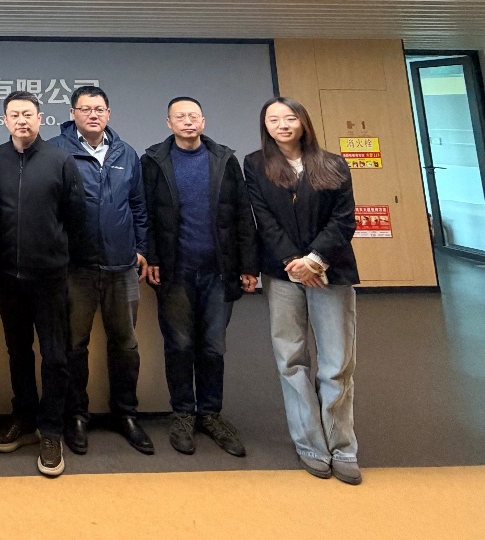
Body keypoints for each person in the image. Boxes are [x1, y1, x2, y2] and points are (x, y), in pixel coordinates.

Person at [245, 96, 362, 485]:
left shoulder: (333, 164)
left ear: (303, 122)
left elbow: (344, 220)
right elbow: (264, 219)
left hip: (330, 271)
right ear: (265, 126)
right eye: (273, 119)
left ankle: (342, 446)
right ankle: (310, 443)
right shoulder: (255, 164)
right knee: (291, 359)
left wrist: (315, 260)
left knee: (337, 362)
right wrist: (295, 263)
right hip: (282, 274)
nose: (282, 124)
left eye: (289, 117)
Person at [141, 96, 258, 458]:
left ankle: (210, 413)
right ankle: (182, 413)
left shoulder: (224, 160)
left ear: (203, 121)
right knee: (179, 345)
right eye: (180, 116)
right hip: (175, 271)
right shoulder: (153, 161)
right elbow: (146, 214)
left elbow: (242, 214)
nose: (188, 121)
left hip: (218, 271)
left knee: (213, 346)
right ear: (169, 123)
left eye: (194, 116)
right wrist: (153, 257)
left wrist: (248, 265)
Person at [0, 91, 88, 478]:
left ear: (40, 118)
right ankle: (25, 419)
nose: (21, 120)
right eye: (14, 115)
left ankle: (51, 430)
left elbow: (76, 217)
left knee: (55, 356)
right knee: (17, 352)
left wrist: (62, 258)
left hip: (50, 277)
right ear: (5, 121)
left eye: (27, 114)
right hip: (9, 277)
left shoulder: (60, 160)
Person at [49, 86, 153, 457]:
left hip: (121, 266)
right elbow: (49, 208)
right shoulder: (56, 151)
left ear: (108, 113)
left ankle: (126, 413)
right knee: (74, 346)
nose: (93, 114)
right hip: (75, 267)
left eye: (99, 109)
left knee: (125, 344)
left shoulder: (126, 153)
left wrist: (141, 249)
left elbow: (138, 206)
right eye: (85, 109)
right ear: (72, 113)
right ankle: (77, 415)